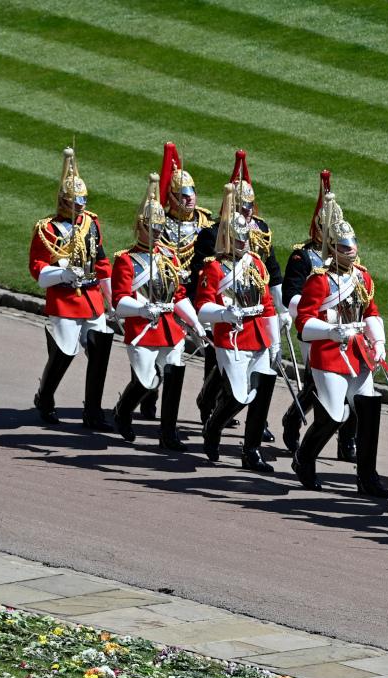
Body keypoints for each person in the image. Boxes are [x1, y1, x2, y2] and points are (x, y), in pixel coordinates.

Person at [290, 193, 388, 497]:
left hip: (358, 353)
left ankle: (367, 475)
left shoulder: (363, 277)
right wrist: (332, 332)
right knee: (334, 415)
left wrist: (379, 342)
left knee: (367, 412)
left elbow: (370, 312)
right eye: (346, 246)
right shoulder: (318, 281)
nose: (353, 250)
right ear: (333, 248)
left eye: (354, 244)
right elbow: (304, 322)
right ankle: (305, 458)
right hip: (329, 355)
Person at [111, 173, 206, 451]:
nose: (155, 233)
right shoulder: (126, 260)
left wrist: (195, 323)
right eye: (150, 228)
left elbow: (177, 296)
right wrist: (142, 307)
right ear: (140, 228)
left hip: (169, 327)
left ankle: (168, 432)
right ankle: (123, 410)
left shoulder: (170, 257)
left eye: (158, 228)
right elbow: (119, 302)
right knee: (146, 380)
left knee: (173, 376)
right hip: (142, 329)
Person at [195, 151, 282, 445]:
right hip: (225, 322)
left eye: (250, 206)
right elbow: (203, 275)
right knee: (228, 383)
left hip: (254, 329)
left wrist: (276, 334)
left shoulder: (257, 244)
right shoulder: (212, 235)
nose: (247, 211)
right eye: (242, 206)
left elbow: (270, 274)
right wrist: (220, 314)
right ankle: (211, 412)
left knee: (259, 383)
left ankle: (252, 443)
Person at [30, 147, 114, 430]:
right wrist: (63, 273)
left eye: (82, 200)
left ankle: (93, 411)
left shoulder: (91, 223)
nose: (80, 206)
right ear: (64, 201)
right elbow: (38, 269)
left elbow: (101, 261)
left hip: (91, 298)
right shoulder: (47, 229)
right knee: (65, 352)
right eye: (75, 201)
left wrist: (110, 296)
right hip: (66, 297)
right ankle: (45, 396)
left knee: (100, 352)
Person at [280, 171, 356, 458]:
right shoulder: (304, 256)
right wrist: (323, 319)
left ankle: (347, 442)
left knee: (353, 383)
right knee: (317, 380)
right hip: (316, 325)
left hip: (346, 327)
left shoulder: (348, 260)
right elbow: (294, 296)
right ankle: (294, 418)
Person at [139, 142, 216, 420]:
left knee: (212, 346)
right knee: (164, 349)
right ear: (170, 198)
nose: (189, 199)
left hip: (197, 293)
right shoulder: (161, 224)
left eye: (192, 193)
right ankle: (149, 395)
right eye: (182, 195)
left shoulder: (206, 222)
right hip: (167, 294)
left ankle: (211, 401)